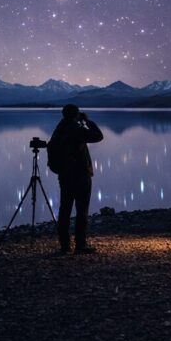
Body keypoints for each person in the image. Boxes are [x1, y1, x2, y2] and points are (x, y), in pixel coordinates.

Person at [49, 104, 103, 254]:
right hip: (81, 175)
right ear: (76, 114)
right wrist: (87, 121)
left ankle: (64, 246)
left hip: (64, 175)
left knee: (64, 210)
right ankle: (80, 245)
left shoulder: (59, 129)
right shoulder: (77, 129)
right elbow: (98, 136)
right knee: (82, 210)